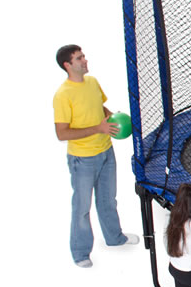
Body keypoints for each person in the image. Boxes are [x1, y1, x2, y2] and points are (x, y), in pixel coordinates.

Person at [53, 44, 138, 268]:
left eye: (84, 56)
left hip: (106, 151)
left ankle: (115, 238)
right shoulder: (63, 95)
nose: (85, 60)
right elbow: (62, 133)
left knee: (108, 200)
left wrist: (115, 119)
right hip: (82, 160)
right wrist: (97, 129)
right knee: (82, 208)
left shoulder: (92, 83)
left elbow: (101, 109)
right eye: (79, 58)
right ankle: (81, 253)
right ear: (68, 65)